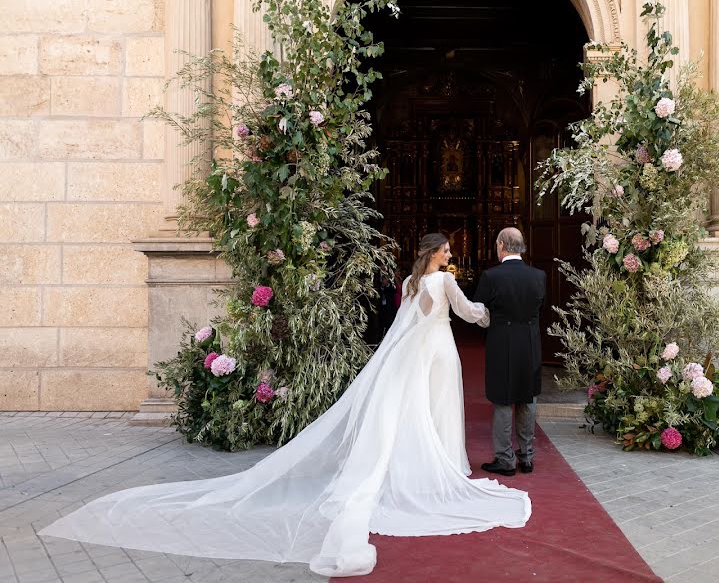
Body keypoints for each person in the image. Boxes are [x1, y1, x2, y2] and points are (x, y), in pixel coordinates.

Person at [39, 233, 531, 578]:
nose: (450, 254)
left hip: (411, 354)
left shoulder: (408, 284)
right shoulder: (443, 281)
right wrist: (497, 315)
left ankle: (418, 462)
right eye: (447, 249)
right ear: (438, 254)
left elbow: (406, 322)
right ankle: (444, 464)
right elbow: (468, 313)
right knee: (437, 406)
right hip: (440, 349)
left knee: (410, 410)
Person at [474, 227, 546, 476]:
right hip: (530, 341)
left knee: (503, 399)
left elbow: (480, 312)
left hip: (502, 341)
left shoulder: (491, 276)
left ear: (502, 244)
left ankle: (505, 459)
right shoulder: (539, 276)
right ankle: (526, 457)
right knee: (527, 397)